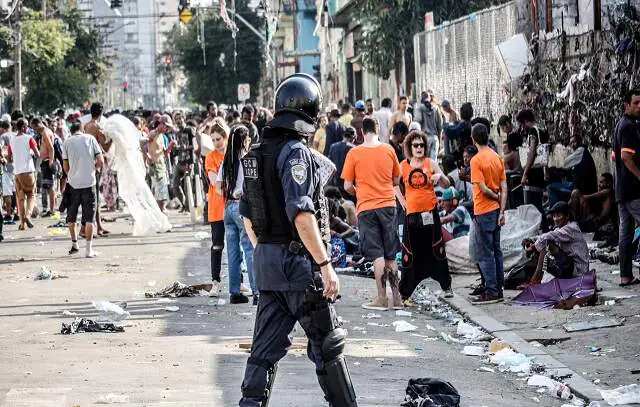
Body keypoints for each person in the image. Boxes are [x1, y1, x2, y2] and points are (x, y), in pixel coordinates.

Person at [238, 73, 356, 406]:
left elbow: (247, 216)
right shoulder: (295, 154)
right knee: (328, 347)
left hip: (268, 267)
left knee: (263, 353)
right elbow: (303, 216)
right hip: (298, 267)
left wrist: (265, 250)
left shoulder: (257, 154)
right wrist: (325, 264)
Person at [342, 116, 402, 310]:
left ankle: (382, 298)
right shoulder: (389, 150)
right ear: (378, 130)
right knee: (391, 255)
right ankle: (398, 299)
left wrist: (359, 190)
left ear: (361, 132)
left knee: (377, 255)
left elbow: (347, 185)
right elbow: (396, 180)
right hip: (388, 205)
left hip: (367, 207)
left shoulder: (354, 153)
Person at [396, 131, 453, 300]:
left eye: (421, 145)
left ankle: (446, 285)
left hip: (430, 213)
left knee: (436, 248)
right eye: (416, 145)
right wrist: (403, 202)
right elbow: (393, 184)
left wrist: (439, 176)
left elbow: (447, 184)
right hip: (412, 216)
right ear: (410, 147)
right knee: (411, 251)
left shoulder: (431, 163)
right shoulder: (403, 166)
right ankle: (405, 291)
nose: (419, 148)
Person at [217, 125, 257, 305]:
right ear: (245, 140)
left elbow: (218, 186)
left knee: (232, 251)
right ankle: (257, 292)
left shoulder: (227, 160)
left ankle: (234, 292)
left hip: (227, 208)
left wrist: (230, 193)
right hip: (242, 208)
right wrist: (240, 192)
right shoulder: (247, 159)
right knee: (249, 248)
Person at [469, 123, 508, 304]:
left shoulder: (476, 160)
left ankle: (492, 290)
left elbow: (483, 188)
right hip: (495, 211)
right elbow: (504, 187)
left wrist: (495, 197)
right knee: (496, 250)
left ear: (473, 139)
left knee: (485, 253)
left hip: (484, 209)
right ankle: (498, 288)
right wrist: (501, 207)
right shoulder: (497, 157)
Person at [62, 122, 104, 258]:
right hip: (89, 183)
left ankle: (75, 244)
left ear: (71, 130)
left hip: (73, 184)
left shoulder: (67, 142)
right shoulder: (90, 139)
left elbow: (66, 166)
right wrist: (94, 169)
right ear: (81, 129)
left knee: (72, 216)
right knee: (89, 218)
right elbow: (100, 160)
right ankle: (89, 250)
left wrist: (72, 174)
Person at [523, 201, 589, 283]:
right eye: (554, 216)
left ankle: (534, 280)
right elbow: (546, 235)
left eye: (559, 216)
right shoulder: (561, 227)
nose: (555, 219)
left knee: (546, 242)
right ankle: (536, 278)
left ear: (567, 216)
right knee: (543, 243)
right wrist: (530, 239)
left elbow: (547, 237)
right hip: (570, 266)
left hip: (578, 271)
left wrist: (533, 247)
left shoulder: (571, 228)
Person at [613, 88, 640, 287]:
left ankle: (625, 276)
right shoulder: (629, 126)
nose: (639, 107)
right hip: (633, 190)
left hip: (622, 190)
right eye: (636, 103)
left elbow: (615, 156)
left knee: (626, 233)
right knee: (626, 232)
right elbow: (625, 156)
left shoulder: (620, 125)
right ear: (627, 105)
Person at [205, 118, 229, 296]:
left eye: (218, 139)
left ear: (225, 137)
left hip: (233, 206)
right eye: (212, 140)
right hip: (217, 207)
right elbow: (214, 182)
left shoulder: (232, 155)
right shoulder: (210, 157)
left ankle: (239, 282)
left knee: (236, 246)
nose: (215, 143)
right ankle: (215, 282)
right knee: (217, 246)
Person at [518, 108, 549, 231]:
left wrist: (525, 173)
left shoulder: (532, 132)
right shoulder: (542, 129)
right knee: (537, 205)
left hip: (533, 174)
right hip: (540, 173)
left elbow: (532, 152)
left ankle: (541, 231)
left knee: (533, 207)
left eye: (521, 124)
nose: (521, 128)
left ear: (525, 121)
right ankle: (544, 231)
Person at [547, 134, 597, 208]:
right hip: (576, 185)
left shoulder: (581, 151)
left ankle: (554, 211)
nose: (572, 145)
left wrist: (555, 168)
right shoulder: (579, 154)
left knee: (551, 188)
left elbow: (565, 163)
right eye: (571, 143)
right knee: (560, 183)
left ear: (580, 142)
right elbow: (569, 171)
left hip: (582, 189)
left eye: (574, 142)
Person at [83, 102, 110, 236]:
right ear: (100, 114)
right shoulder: (97, 126)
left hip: (87, 162)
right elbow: (105, 145)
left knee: (92, 196)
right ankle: (89, 227)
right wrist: (113, 137)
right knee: (94, 197)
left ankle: (97, 225)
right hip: (95, 164)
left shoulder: (86, 126)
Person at [7, 118, 39, 230]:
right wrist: (30, 152)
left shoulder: (12, 140)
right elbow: (37, 154)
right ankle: (28, 216)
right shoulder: (29, 138)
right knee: (31, 195)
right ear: (25, 127)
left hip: (17, 173)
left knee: (20, 198)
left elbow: (9, 158)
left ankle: (22, 224)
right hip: (28, 171)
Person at [570, 173, 617, 240]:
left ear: (609, 183)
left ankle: (573, 221)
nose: (599, 185)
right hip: (595, 221)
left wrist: (579, 198)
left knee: (575, 192)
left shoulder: (608, 192)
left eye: (601, 182)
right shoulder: (605, 194)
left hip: (597, 224)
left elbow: (587, 197)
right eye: (599, 182)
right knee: (576, 193)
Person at [32, 118, 57, 217]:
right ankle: (51, 209)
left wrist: (50, 162)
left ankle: (52, 210)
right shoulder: (47, 131)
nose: (34, 130)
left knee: (50, 187)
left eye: (34, 128)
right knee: (49, 187)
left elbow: (51, 148)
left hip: (47, 162)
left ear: (37, 125)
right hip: (46, 161)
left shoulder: (45, 133)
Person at [414, 91, 443, 161]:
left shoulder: (420, 108)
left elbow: (417, 121)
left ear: (422, 98)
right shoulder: (436, 108)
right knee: (433, 162)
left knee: (424, 162)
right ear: (429, 98)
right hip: (434, 138)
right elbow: (440, 126)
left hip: (424, 139)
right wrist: (439, 141)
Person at [328, 126, 356, 194]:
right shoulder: (353, 149)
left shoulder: (333, 146)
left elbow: (329, 164)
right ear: (353, 138)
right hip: (348, 184)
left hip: (335, 184)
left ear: (343, 135)